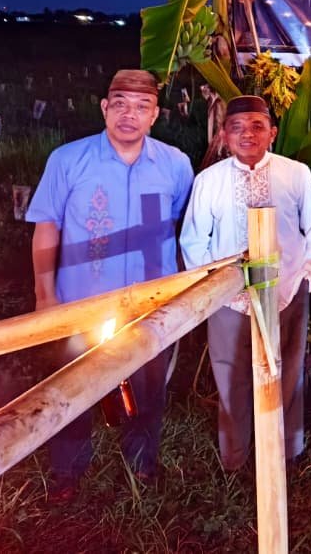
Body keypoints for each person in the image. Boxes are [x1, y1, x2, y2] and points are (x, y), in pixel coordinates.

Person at [26, 69, 194, 500]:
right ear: (104, 108)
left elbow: (176, 222)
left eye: (141, 106)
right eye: (119, 103)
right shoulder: (68, 160)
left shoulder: (175, 164)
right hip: (82, 300)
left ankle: (141, 464)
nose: (129, 115)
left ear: (155, 114)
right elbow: (47, 227)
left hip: (150, 303)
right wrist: (46, 295)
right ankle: (67, 471)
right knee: (71, 387)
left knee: (147, 386)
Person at [179, 95, 311, 473]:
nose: (248, 134)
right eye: (238, 127)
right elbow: (194, 240)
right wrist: (213, 288)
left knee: (286, 369)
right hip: (228, 297)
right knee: (230, 372)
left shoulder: (296, 174)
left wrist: (307, 276)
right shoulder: (209, 180)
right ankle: (235, 457)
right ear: (224, 136)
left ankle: (286, 451)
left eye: (258, 126)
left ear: (273, 133)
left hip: (286, 288)